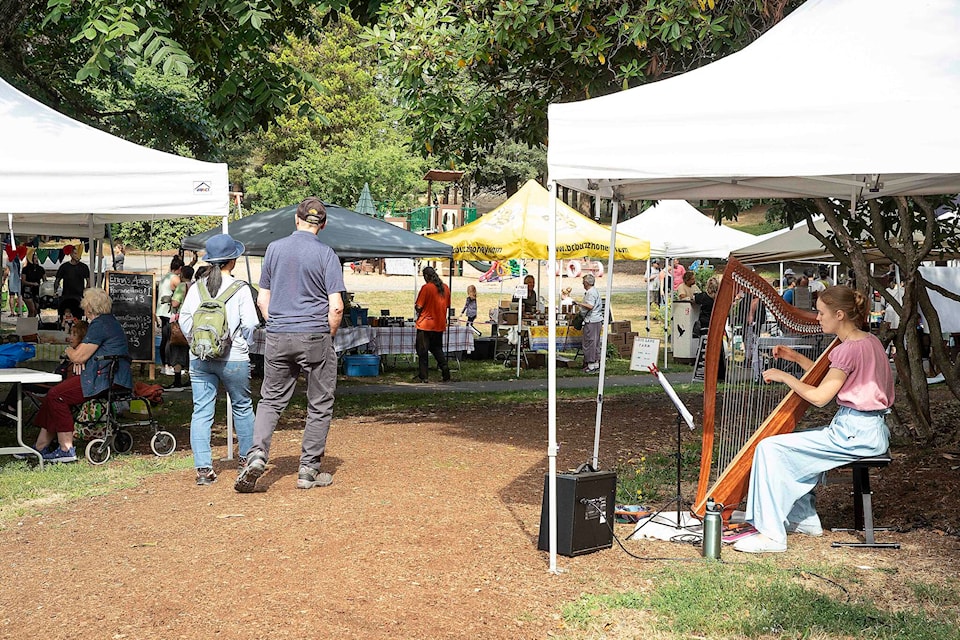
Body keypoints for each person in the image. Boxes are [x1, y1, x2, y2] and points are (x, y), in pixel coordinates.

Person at [733, 286, 893, 554]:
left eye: (821, 313)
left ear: (839, 314)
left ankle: (772, 535)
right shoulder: (868, 341)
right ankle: (803, 519)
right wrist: (794, 358)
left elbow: (820, 397)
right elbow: (833, 378)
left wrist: (785, 377)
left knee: (769, 448)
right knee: (793, 445)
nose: (817, 318)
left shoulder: (847, 350)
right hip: (867, 430)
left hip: (853, 433)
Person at [235, 197, 345, 493]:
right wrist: (328, 335)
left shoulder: (274, 249)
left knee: (270, 399)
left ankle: (257, 454)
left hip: (279, 334)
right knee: (319, 403)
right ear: (322, 224)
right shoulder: (327, 254)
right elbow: (336, 306)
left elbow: (262, 299)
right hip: (315, 336)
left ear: (296, 219)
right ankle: (308, 470)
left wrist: (278, 325)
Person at [179, 235, 259, 486]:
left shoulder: (197, 287)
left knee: (201, 411)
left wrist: (196, 342)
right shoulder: (241, 288)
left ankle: (203, 469)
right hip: (234, 356)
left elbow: (184, 319)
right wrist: (244, 345)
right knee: (242, 407)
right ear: (232, 261)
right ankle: (246, 461)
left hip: (200, 357)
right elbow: (251, 323)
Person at [27, 288, 132, 463]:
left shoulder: (99, 325)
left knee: (56, 396)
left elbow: (78, 355)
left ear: (90, 307)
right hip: (108, 376)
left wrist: (69, 350)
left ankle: (66, 449)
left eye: (84, 306)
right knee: (54, 395)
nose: (83, 309)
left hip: (104, 379)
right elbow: (85, 354)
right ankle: (40, 447)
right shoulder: (109, 322)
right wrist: (79, 358)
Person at [414, 265, 452, 383]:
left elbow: (419, 306)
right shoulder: (445, 288)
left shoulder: (426, 288)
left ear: (426, 276)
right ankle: (445, 369)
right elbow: (447, 305)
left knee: (422, 351)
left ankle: (424, 376)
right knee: (437, 349)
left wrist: (417, 308)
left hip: (425, 325)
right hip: (439, 324)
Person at [165, 264, 194, 391]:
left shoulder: (182, 287)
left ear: (182, 275)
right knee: (190, 350)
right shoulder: (196, 286)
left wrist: (169, 300)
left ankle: (177, 380)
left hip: (181, 322)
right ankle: (191, 378)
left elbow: (176, 303)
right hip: (194, 322)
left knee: (177, 349)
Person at [155, 255, 183, 376]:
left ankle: (164, 365)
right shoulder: (175, 278)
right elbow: (182, 289)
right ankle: (169, 364)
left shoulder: (165, 277)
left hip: (161, 310)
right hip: (169, 311)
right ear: (180, 268)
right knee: (170, 339)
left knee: (165, 338)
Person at [54, 249, 90, 326]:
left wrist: (85, 291)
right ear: (70, 254)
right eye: (75, 253)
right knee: (65, 317)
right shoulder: (64, 267)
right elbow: (57, 280)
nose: (77, 256)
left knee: (78, 317)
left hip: (78, 296)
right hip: (66, 296)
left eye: (79, 254)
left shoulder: (84, 267)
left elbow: (88, 282)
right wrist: (55, 291)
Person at [579, 273, 604, 374]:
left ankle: (591, 364)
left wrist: (579, 304)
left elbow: (590, 306)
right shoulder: (594, 291)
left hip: (592, 320)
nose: (582, 284)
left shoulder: (590, 293)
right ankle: (596, 363)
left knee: (590, 342)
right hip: (596, 320)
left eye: (583, 282)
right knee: (595, 342)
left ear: (586, 282)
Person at [20, 252, 45, 318]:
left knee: (36, 310)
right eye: (34, 258)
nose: (36, 260)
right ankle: (29, 325)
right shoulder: (25, 269)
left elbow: (45, 280)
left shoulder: (41, 269)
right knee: (32, 309)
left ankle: (32, 322)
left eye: (37, 258)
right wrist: (32, 284)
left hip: (36, 290)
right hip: (27, 290)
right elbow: (23, 281)